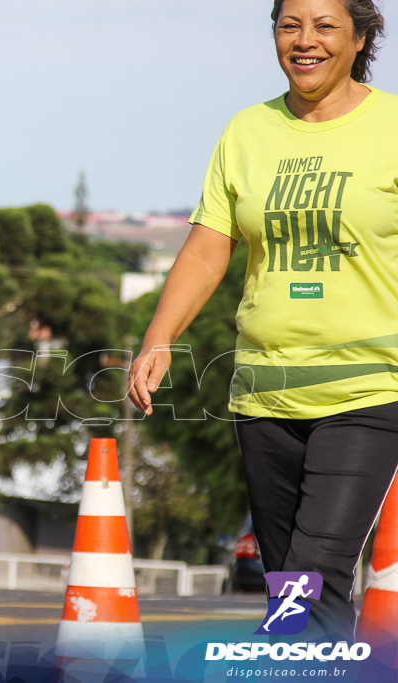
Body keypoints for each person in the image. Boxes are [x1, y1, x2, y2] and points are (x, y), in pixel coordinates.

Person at [128, 0, 397, 643]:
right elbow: (207, 245)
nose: (305, 41)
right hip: (264, 392)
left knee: (315, 572)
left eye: (326, 26)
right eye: (289, 25)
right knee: (287, 583)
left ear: (361, 37)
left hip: (368, 390)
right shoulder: (247, 132)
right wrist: (158, 338)